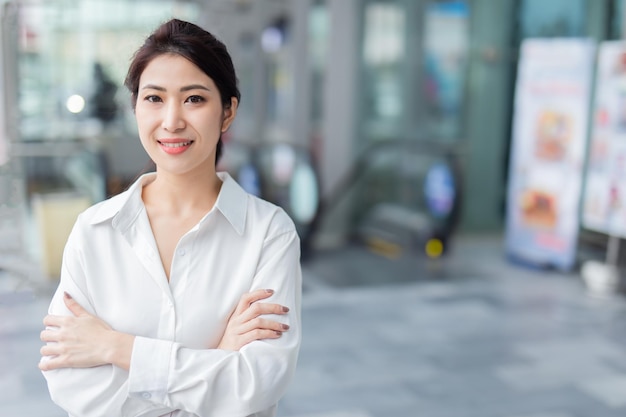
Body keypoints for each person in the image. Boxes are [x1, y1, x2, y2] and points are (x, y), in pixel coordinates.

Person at [39, 18, 302, 417]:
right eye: (154, 98)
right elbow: (73, 388)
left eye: (194, 99)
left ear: (227, 112)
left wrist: (117, 348)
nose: (172, 120)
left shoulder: (268, 233)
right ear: (136, 108)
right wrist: (217, 359)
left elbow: (256, 384)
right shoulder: (95, 231)